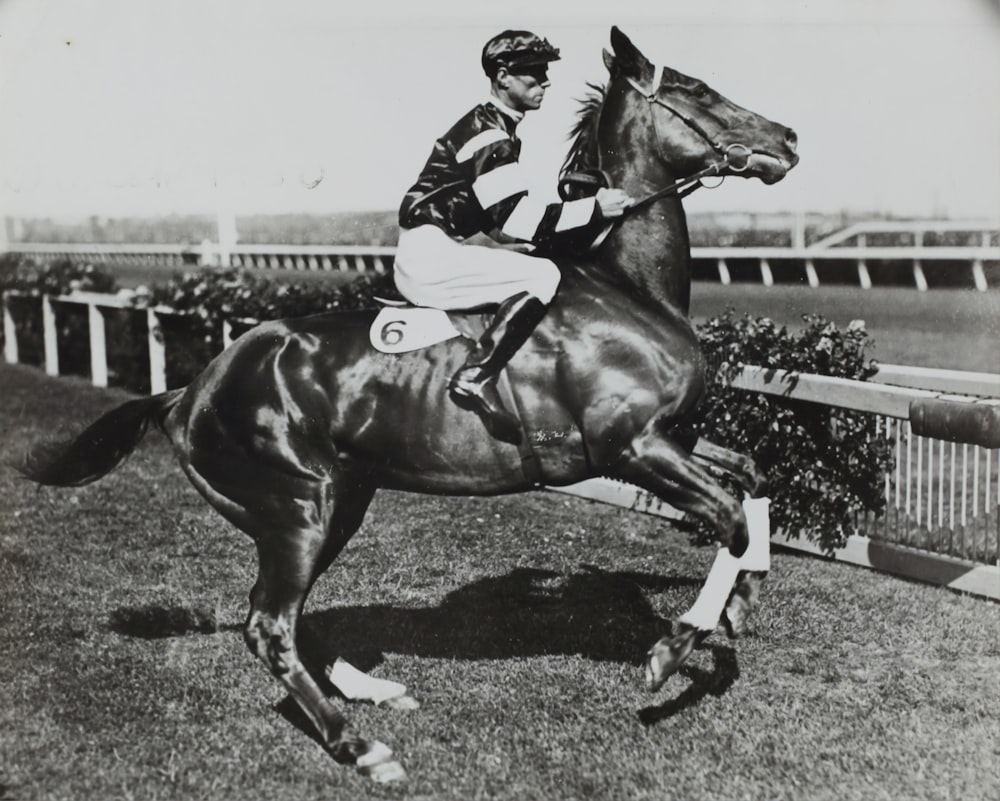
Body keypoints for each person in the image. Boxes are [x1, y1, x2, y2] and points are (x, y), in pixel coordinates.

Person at [394, 29, 633, 445]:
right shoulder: (487, 133)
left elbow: (498, 225)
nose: (545, 82)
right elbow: (518, 218)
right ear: (503, 77)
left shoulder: (495, 127)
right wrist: (597, 208)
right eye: (534, 75)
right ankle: (474, 377)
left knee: (537, 264)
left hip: (433, 248)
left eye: (544, 74)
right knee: (543, 278)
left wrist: (524, 241)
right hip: (429, 256)